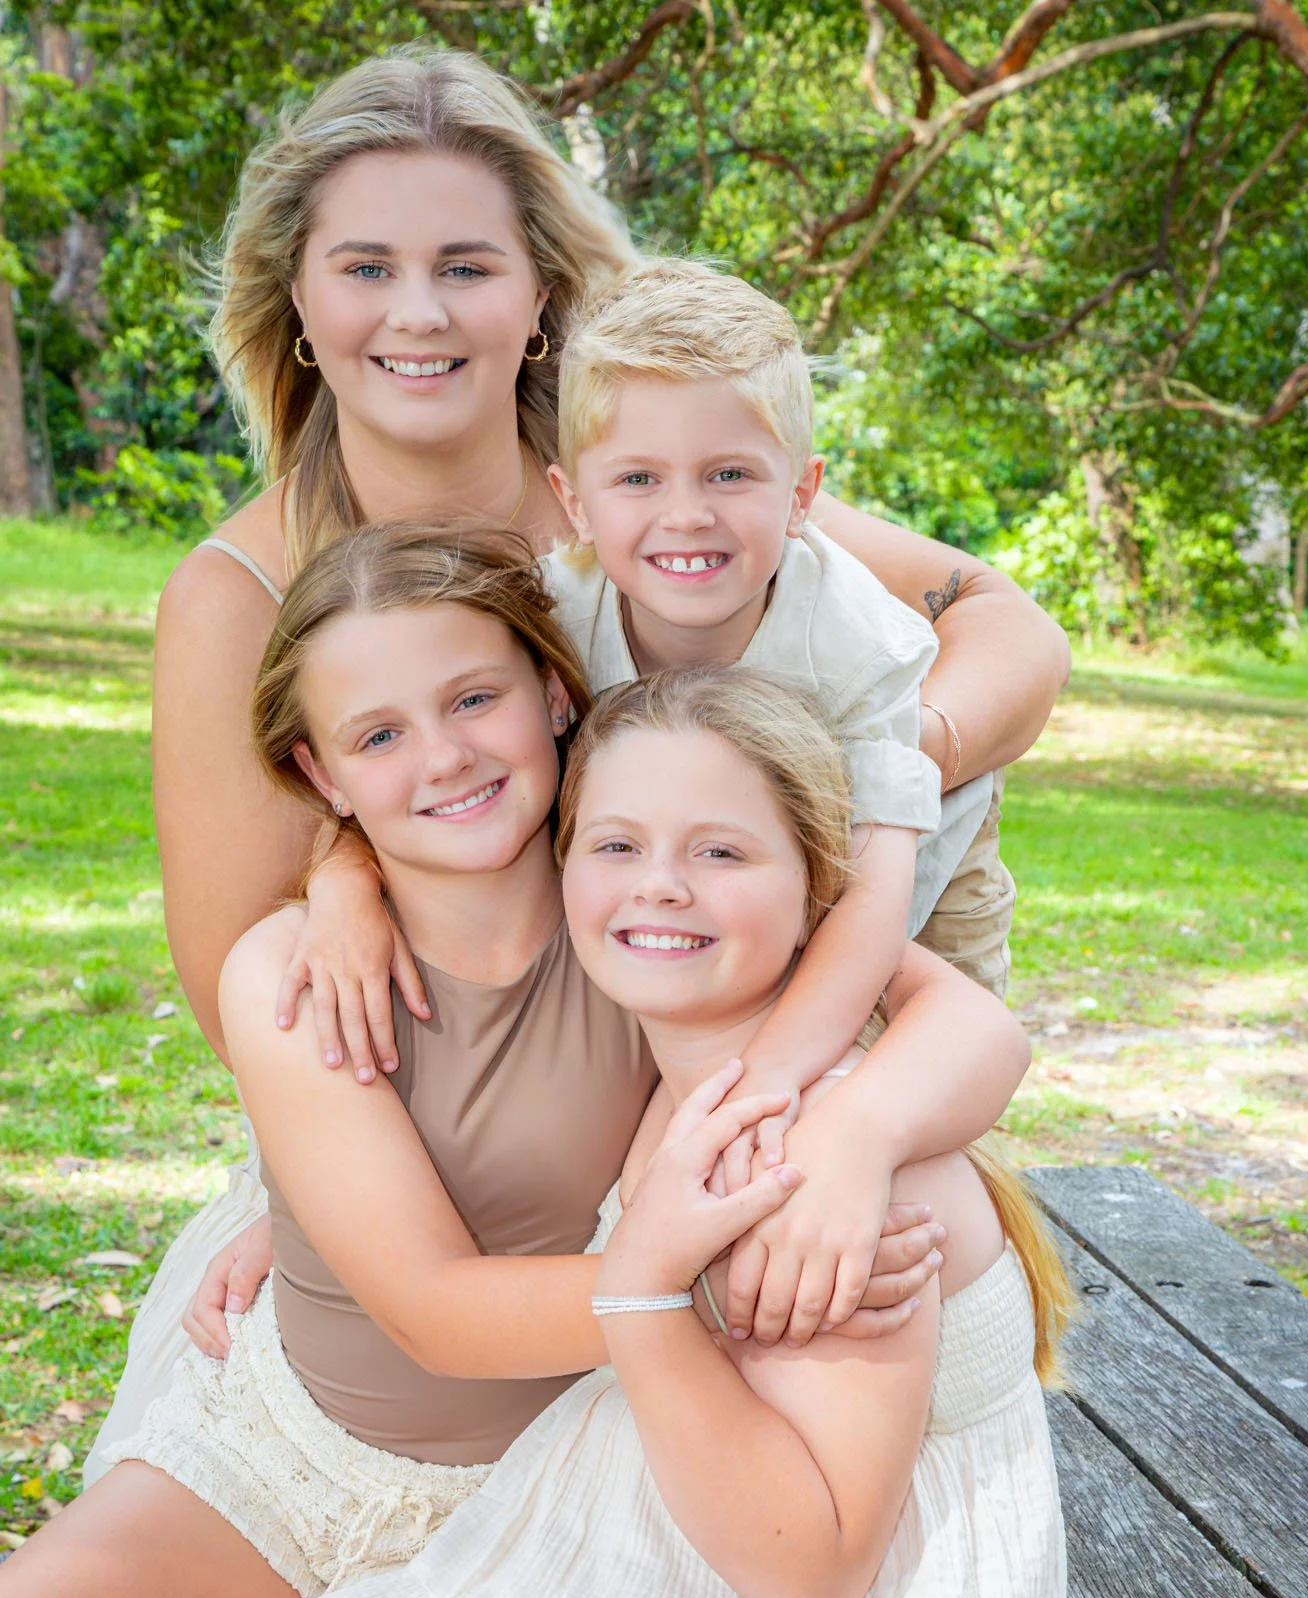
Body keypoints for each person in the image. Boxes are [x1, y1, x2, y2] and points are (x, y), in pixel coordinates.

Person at [0, 528, 1031, 1598]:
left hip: (565, 1491)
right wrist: (690, 1285)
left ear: (557, 694)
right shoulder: (299, 970)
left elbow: (947, 1020)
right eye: (376, 735)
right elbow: (425, 1305)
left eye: (474, 700)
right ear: (317, 778)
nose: (441, 755)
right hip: (302, 1469)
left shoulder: (638, 882)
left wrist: (855, 1141)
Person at [85, 38, 1068, 1469]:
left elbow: (1009, 629)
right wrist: (347, 880)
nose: (416, 312)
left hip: (772, 1056)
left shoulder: (650, 498)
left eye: (466, 266)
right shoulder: (238, 595)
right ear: (294, 297)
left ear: (541, 292)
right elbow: (256, 988)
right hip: (456, 1174)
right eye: (364, 266)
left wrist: (865, 766)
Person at [545, 255, 997, 1179]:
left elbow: (872, 901)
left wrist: (759, 1091)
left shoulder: (858, 642)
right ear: (572, 502)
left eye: (729, 475)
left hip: (908, 873)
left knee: (894, 1099)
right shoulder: (551, 619)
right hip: (711, 874)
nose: (685, 515)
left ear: (800, 494)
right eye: (636, 479)